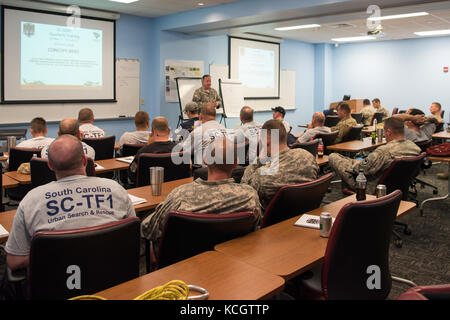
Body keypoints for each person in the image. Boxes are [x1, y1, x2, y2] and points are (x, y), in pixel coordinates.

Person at [5, 135, 136, 271]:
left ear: (49, 165)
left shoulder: (31, 200)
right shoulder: (116, 189)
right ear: (85, 160)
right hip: (112, 279)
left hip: (55, 287)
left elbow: (15, 261)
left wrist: (56, 253)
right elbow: (133, 239)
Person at [141, 137, 262, 255]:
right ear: (236, 163)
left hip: (183, 265)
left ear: (205, 160)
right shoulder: (249, 196)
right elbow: (256, 229)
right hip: (232, 262)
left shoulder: (180, 196)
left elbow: (149, 230)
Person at [329, 117, 421, 194]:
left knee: (333, 157)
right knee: (349, 160)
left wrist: (357, 163)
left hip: (371, 187)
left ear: (388, 132)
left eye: (384, 132)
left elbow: (361, 170)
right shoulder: (415, 148)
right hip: (398, 186)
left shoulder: (384, 151)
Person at [241, 119, 319, 209]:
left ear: (267, 143)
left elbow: (244, 194)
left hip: (273, 221)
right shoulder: (308, 157)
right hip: (306, 213)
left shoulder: (262, 175)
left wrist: (257, 161)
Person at [128, 117, 178, 184]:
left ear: (152, 131)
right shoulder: (180, 150)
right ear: (169, 131)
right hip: (174, 190)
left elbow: (132, 173)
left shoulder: (143, 152)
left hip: (147, 191)